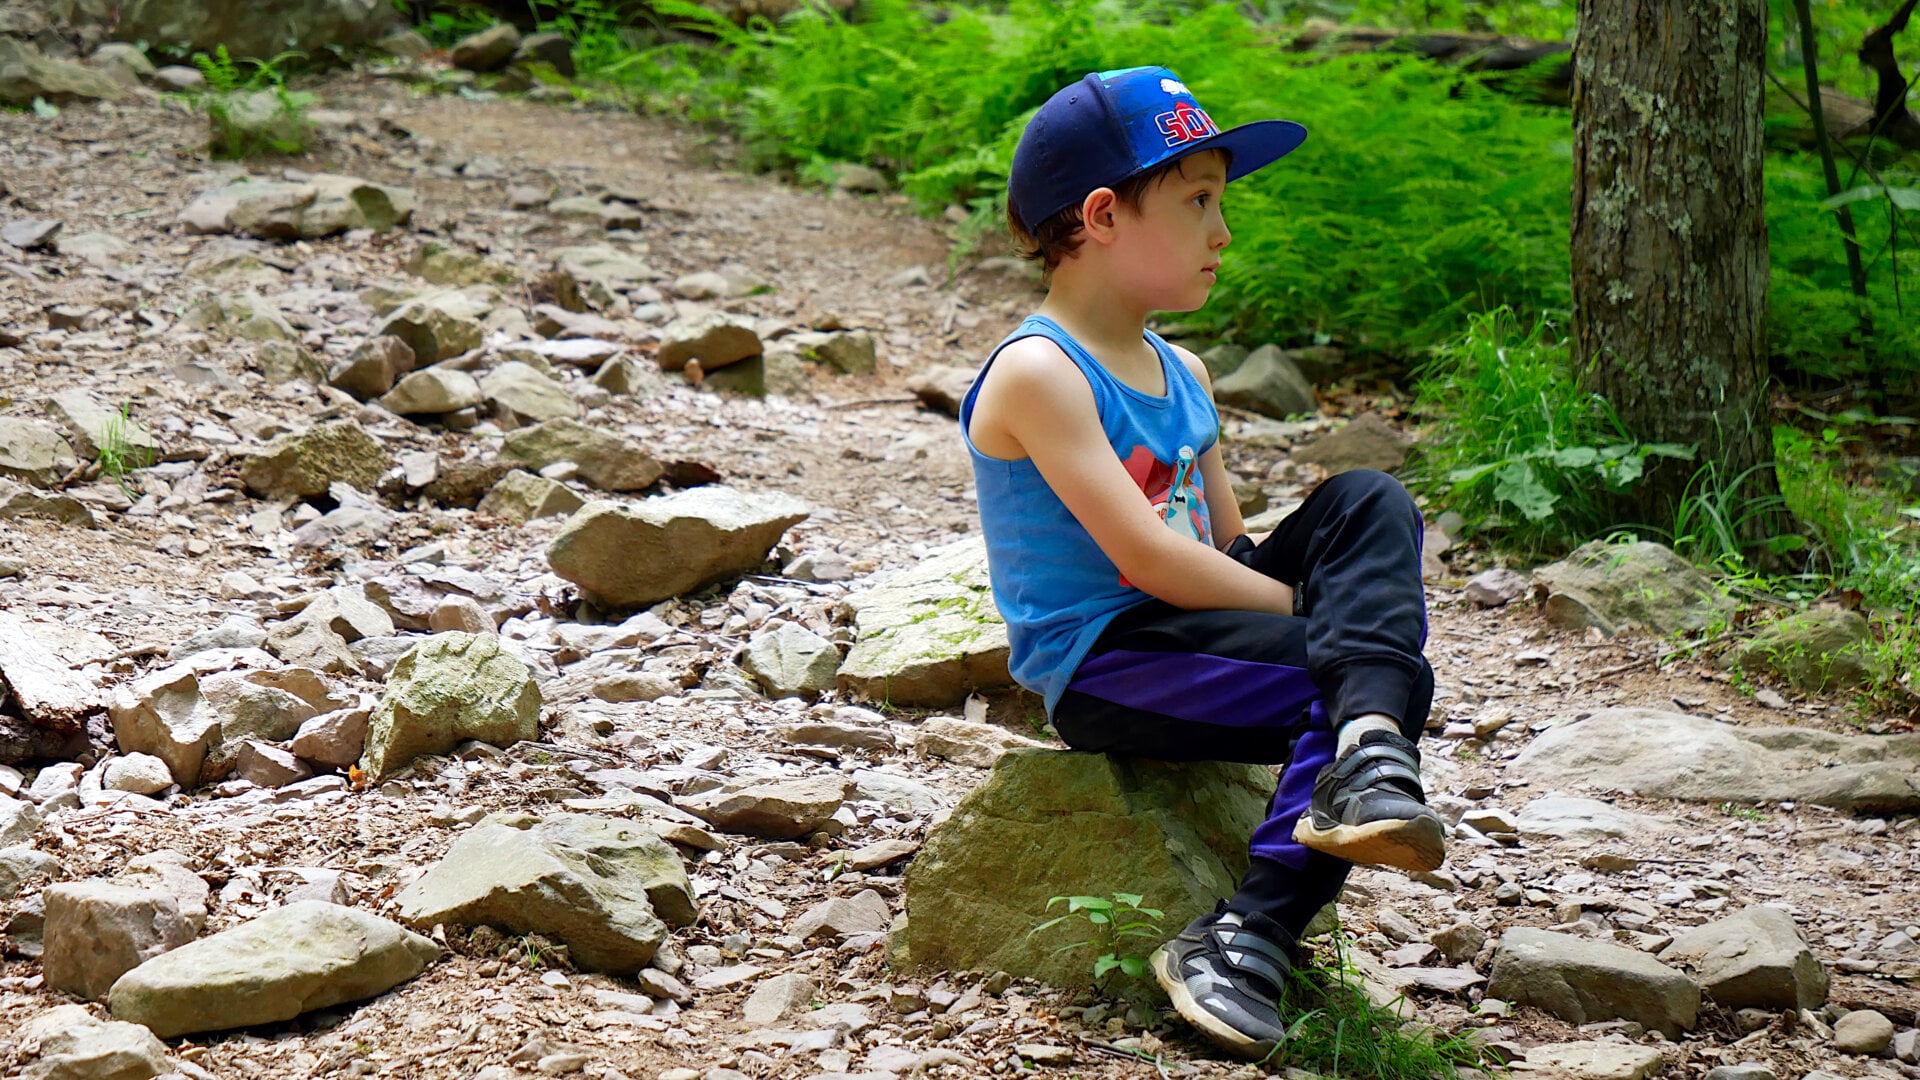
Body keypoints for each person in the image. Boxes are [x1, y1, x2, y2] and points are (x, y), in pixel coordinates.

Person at [958, 66, 1445, 1059]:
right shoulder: (1040, 371)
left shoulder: (1184, 370)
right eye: (1198, 202)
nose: (1224, 232)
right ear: (1100, 214)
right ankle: (1245, 937)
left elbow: (1222, 542)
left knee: (1371, 499)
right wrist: (1325, 628)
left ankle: (1364, 746)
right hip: (1107, 656)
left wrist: (1326, 613)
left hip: (1191, 621)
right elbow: (1149, 561)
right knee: (1360, 674)